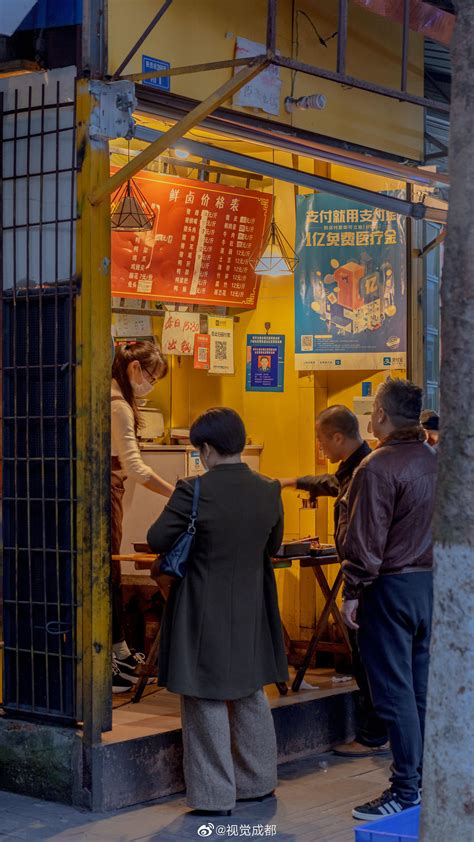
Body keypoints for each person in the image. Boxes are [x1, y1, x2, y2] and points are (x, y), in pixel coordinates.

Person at [147, 408, 288, 816]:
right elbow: (273, 544)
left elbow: (158, 538)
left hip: (201, 604)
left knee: (202, 693)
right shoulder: (269, 489)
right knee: (250, 691)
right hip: (252, 603)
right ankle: (258, 782)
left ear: (206, 449)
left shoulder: (191, 491)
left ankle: (213, 795)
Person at [341, 379, 437, 821]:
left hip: (391, 588)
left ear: (380, 414)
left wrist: (353, 591)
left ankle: (405, 789)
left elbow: (364, 543)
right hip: (430, 587)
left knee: (395, 692)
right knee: (417, 691)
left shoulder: (377, 468)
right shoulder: (435, 460)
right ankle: (419, 782)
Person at [280, 405, 388, 757]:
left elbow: (361, 536)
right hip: (381, 581)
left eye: (322, 439)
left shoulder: (365, 471)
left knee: (368, 659)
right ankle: (379, 732)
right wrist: (295, 481)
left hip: (371, 583)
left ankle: (372, 734)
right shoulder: (360, 466)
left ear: (338, 437)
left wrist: (354, 589)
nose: (319, 445)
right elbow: (332, 483)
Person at [111, 341, 174, 692]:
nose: (150, 385)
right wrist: (176, 493)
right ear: (134, 369)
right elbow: (134, 467)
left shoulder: (115, 397)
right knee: (108, 569)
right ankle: (111, 654)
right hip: (106, 489)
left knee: (110, 568)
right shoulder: (117, 404)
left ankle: (117, 649)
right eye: (151, 377)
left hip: (111, 487)